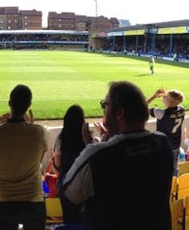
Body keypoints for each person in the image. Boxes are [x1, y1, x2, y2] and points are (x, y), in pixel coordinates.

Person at [63, 81, 173, 229]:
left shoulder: (97, 155)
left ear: (119, 113)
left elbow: (70, 197)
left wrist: (90, 148)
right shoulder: (163, 143)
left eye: (105, 105)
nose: (103, 109)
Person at [0, 84, 48, 230]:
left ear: (10, 103)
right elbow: (38, 161)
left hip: (5, 201)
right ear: (29, 105)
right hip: (33, 200)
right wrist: (31, 126)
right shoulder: (39, 132)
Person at [53, 104, 91, 224]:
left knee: (68, 218)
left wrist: (56, 168)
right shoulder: (88, 139)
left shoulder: (61, 138)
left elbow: (58, 166)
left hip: (66, 184)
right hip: (84, 184)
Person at [146, 88, 185, 175]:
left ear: (171, 100)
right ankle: (175, 185)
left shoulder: (161, 113)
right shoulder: (182, 110)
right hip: (175, 145)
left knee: (161, 168)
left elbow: (143, 105)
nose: (163, 98)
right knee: (174, 168)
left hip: (163, 146)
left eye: (165, 97)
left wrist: (154, 96)